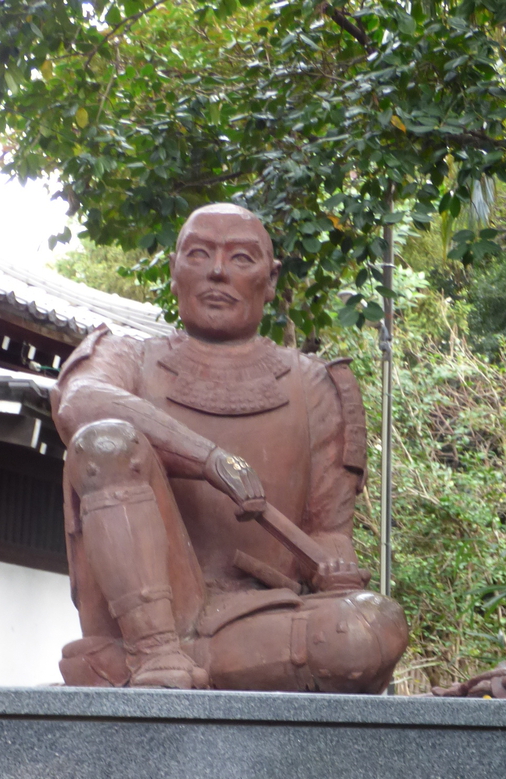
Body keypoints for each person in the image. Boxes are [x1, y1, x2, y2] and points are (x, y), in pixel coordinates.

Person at [51, 202, 408, 691]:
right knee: (105, 440)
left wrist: (333, 566)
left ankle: (163, 663)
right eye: (199, 254)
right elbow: (80, 403)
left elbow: (328, 533)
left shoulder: (313, 385)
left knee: (369, 629)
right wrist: (207, 458)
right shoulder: (127, 356)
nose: (217, 272)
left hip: (257, 620)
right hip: (143, 617)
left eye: (241, 258)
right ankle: (154, 653)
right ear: (174, 270)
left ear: (271, 278)